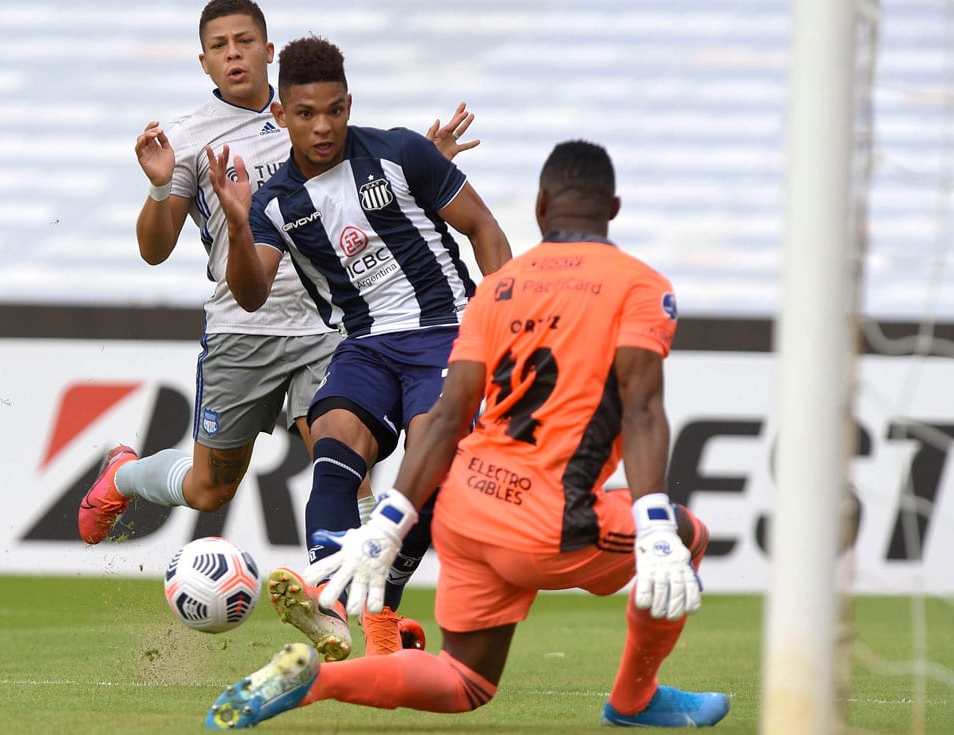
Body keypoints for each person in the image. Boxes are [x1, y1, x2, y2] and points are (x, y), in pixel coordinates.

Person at [202, 140, 732, 729]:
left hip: (469, 508)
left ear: (540, 205)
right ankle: (634, 701)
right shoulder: (638, 285)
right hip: (549, 519)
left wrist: (388, 521)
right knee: (687, 534)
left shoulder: (499, 289)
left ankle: (314, 681)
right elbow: (642, 407)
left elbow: (451, 416)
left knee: (463, 680)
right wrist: (655, 521)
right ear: (613, 207)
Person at [75, 0, 477, 654]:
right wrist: (156, 190)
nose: (233, 53)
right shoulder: (186, 136)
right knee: (211, 484)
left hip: (329, 323)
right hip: (244, 326)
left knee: (347, 463)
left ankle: (358, 619)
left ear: (269, 50)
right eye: (219, 45)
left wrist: (425, 166)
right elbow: (153, 248)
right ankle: (124, 475)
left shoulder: (308, 116)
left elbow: (371, 181)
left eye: (244, 41)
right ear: (203, 60)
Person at [206, 36, 512, 661]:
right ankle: (329, 601)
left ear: (349, 103)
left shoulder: (402, 153)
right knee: (334, 439)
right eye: (306, 114)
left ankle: (385, 600)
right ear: (281, 115)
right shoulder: (273, 204)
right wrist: (237, 226)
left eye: (335, 110)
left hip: (445, 334)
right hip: (366, 345)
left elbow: (485, 229)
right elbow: (252, 291)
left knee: (434, 468)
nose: (323, 127)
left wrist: (498, 327)